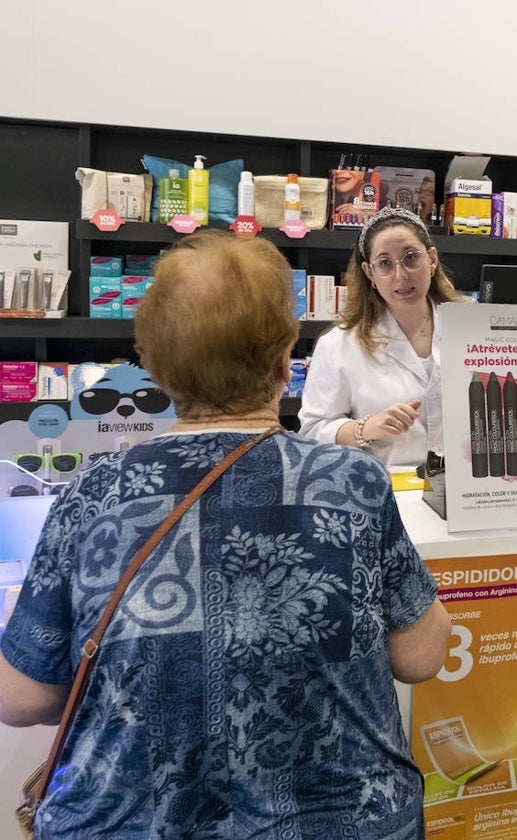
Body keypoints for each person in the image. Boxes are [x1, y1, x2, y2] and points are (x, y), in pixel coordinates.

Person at [0, 230, 451, 838]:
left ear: (152, 358)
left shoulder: (94, 493)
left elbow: (21, 698)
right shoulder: (350, 484)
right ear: (284, 353)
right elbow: (421, 655)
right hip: (341, 821)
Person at [300, 206, 469, 467]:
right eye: (385, 264)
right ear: (370, 274)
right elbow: (312, 432)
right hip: (386, 493)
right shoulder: (339, 345)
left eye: (411, 257)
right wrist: (366, 428)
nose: (401, 276)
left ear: (432, 259)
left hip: (469, 491)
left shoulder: (472, 327)